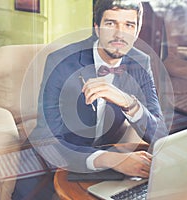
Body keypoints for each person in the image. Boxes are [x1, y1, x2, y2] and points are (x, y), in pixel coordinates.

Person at [14, 0, 168, 198]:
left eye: (129, 25)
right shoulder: (60, 60)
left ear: (137, 31)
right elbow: (46, 139)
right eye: (111, 24)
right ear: (96, 27)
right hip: (48, 164)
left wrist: (129, 103)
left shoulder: (141, 62)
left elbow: (160, 135)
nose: (120, 34)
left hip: (102, 165)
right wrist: (112, 159)